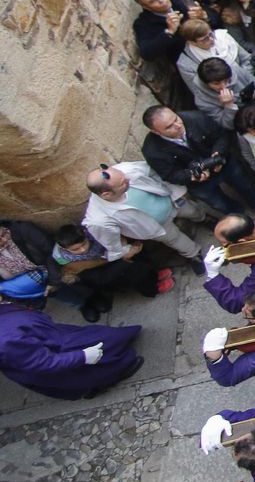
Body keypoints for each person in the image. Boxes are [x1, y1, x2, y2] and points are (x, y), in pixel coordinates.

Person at [0, 294, 142, 400]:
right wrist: (83, 356)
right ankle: (112, 376)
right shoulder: (7, 341)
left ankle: (90, 388)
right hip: (59, 353)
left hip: (53, 338)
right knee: (91, 370)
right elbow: (45, 363)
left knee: (102, 342)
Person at [82, 162, 207, 271]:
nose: (127, 179)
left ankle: (204, 218)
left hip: (171, 202)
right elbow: (108, 238)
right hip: (156, 227)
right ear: (107, 194)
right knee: (175, 240)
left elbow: (153, 171)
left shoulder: (123, 171)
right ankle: (194, 254)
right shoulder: (99, 218)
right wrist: (124, 250)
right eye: (122, 183)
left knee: (193, 211)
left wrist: (175, 191)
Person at [141, 105, 255, 216]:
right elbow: (170, 174)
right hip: (198, 182)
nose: (177, 125)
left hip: (224, 164)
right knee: (219, 203)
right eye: (169, 127)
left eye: (176, 119)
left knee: (246, 186)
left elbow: (222, 135)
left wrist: (218, 154)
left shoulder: (197, 118)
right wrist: (192, 176)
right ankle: (241, 217)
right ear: (156, 131)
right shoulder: (152, 151)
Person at [175, 19, 254, 89]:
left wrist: (246, 79)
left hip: (248, 82)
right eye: (205, 39)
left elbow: (246, 59)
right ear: (191, 42)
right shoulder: (186, 63)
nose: (212, 39)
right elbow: (199, 89)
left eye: (211, 34)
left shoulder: (223, 38)